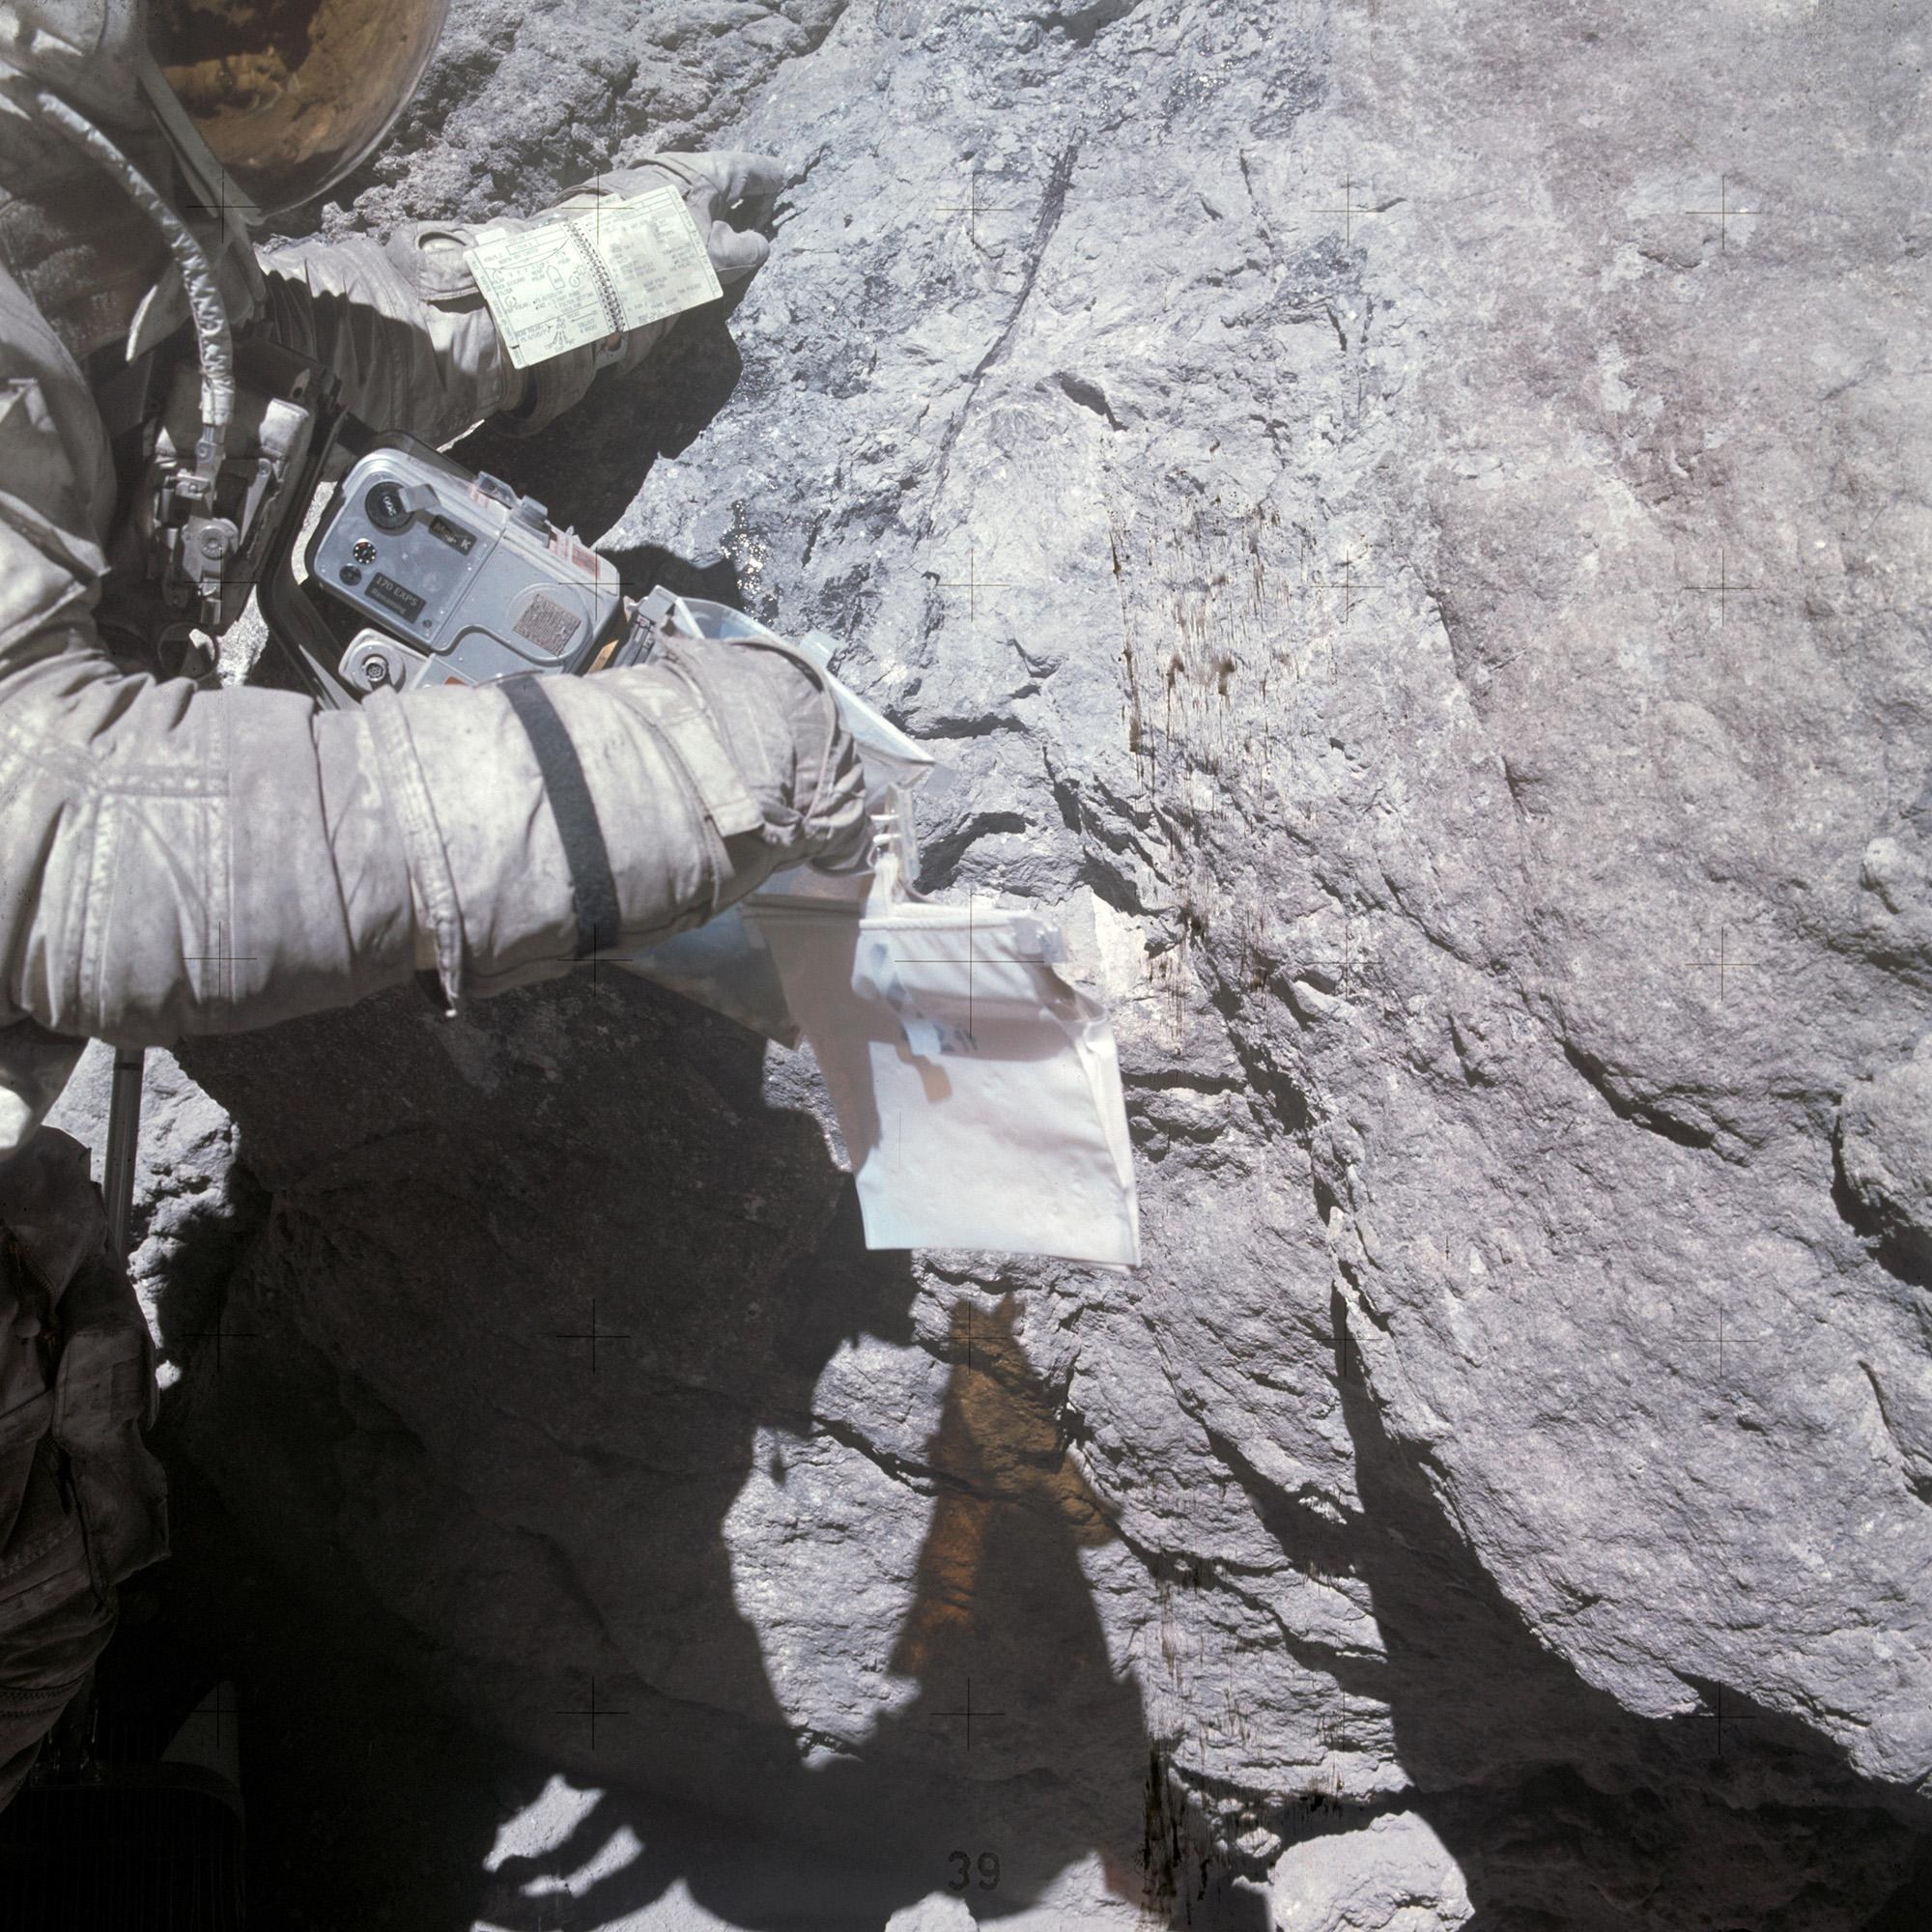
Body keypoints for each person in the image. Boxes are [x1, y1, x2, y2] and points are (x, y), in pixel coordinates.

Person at [0, 0, 867, 1806]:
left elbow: (282, 333)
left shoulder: (57, 208)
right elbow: (59, 832)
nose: (274, 58)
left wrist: (610, 263)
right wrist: (676, 770)